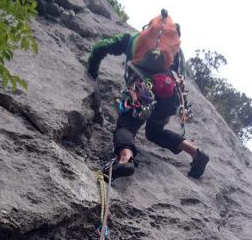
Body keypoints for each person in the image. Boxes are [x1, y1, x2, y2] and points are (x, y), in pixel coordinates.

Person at [86, 10, 210, 181]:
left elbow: (100, 47)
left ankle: (124, 159)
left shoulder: (132, 40)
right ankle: (196, 152)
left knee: (126, 126)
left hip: (140, 92)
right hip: (168, 96)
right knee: (155, 132)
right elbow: (178, 77)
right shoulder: (176, 53)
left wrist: (92, 70)